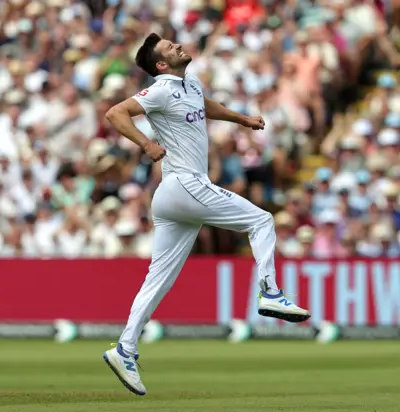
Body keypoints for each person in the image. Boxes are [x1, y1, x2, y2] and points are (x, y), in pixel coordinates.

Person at [102, 33, 311, 396]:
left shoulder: (190, 83)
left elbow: (205, 105)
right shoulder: (163, 89)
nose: (177, 46)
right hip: (184, 183)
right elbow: (115, 113)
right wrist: (147, 144)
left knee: (159, 280)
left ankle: (125, 349)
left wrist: (241, 119)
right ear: (162, 66)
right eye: (169, 48)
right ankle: (270, 291)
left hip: (173, 197)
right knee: (262, 220)